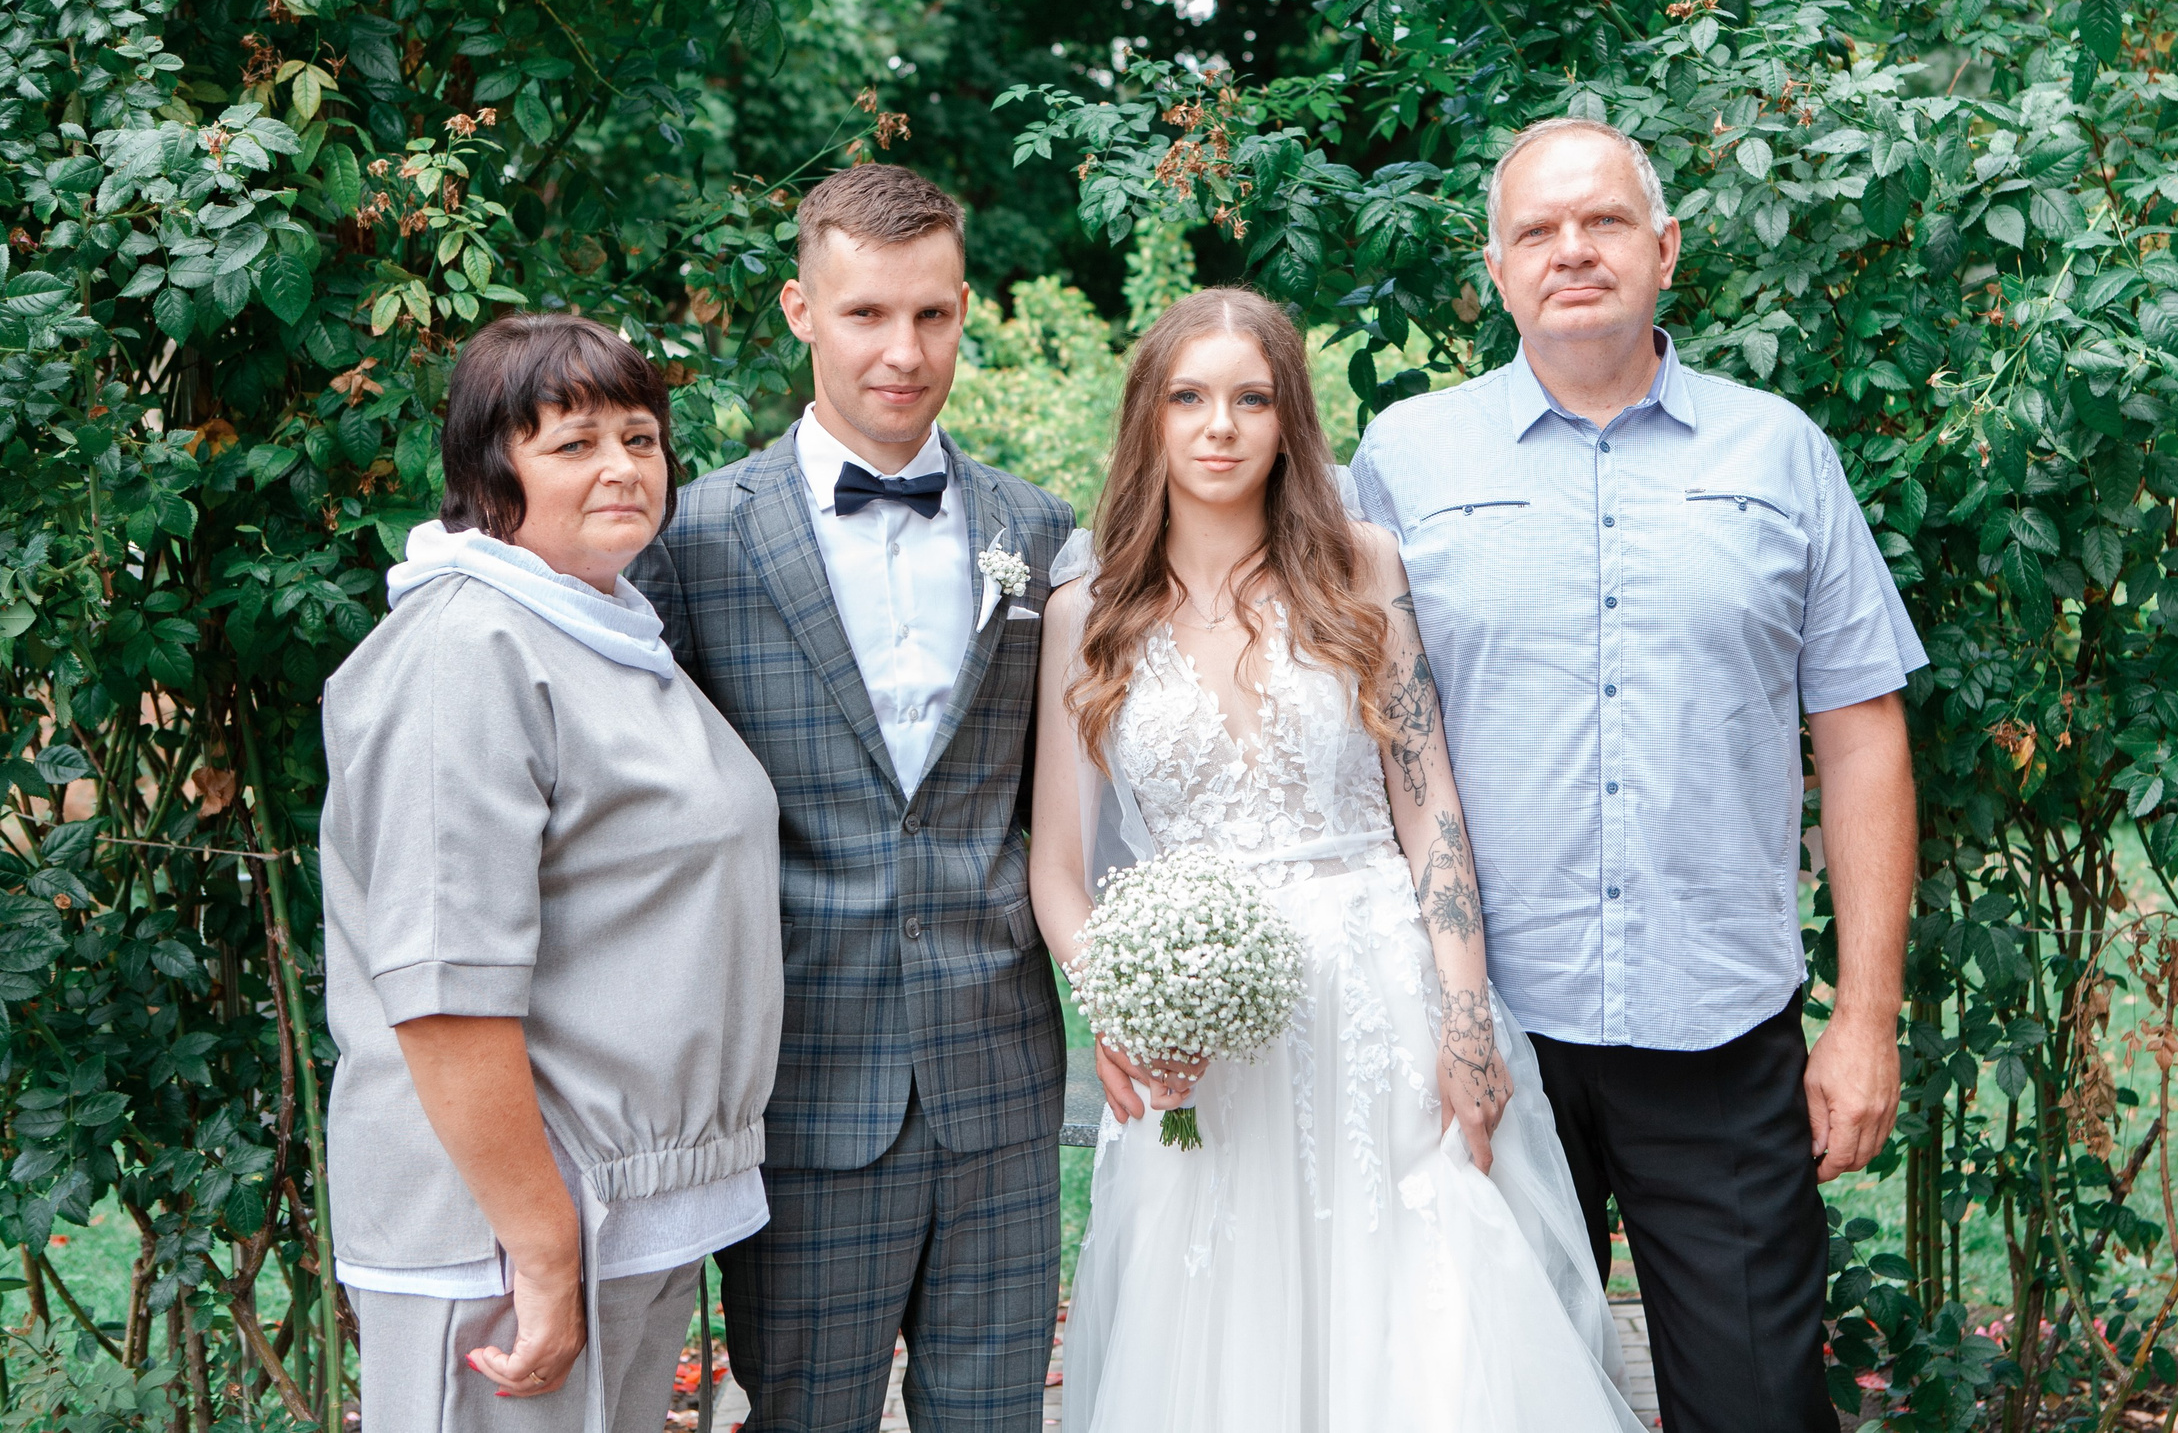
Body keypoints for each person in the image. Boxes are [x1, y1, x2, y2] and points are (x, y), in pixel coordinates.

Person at [1350, 116, 1926, 1433]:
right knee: (1491, 1402)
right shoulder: (1406, 458)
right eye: (1538, 231)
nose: (1572, 251)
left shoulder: (1779, 453)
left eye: (1603, 221)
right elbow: (1349, 726)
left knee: (1759, 1404)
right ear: (1496, 271)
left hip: (1715, 1023)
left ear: (1663, 249)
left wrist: (1866, 1013)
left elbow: (1860, 729)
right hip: (1481, 1027)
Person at [1029, 287, 1642, 1433]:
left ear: (1287, 418)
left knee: (1431, 1333)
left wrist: (1465, 1019)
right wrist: (1119, 1005)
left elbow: (1430, 812)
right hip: (1200, 1046)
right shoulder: (1091, 610)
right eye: (1190, 398)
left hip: (1382, 1011)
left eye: (1251, 399)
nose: (1220, 426)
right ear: (1149, 419)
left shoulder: (1361, 569)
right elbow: (1058, 870)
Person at [628, 163, 1077, 1432]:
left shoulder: (1037, 535)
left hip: (998, 1074)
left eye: (931, 314)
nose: (903, 350)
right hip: (806, 1079)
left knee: (993, 1417)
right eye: (868, 313)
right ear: (799, 310)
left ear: (964, 309)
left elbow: (1064, 799)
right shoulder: (697, 538)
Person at [320, 314, 784, 1433]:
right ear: (491, 473)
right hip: (503, 1236)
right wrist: (541, 1247)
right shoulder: (464, 655)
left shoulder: (605, 633)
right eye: (573, 444)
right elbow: (445, 996)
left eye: (639, 436)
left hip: (624, 1208)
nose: (622, 466)